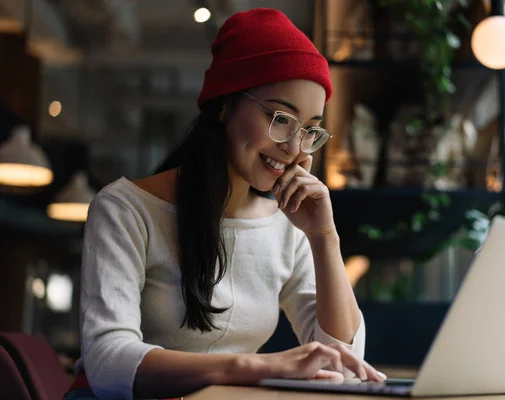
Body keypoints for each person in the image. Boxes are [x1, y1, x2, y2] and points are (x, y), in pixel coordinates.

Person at [63, 8, 386, 400]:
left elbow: (345, 363)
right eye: (280, 117)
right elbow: (108, 361)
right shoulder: (125, 208)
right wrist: (253, 367)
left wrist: (323, 236)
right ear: (223, 106)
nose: (293, 146)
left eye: (310, 129)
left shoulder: (288, 227)